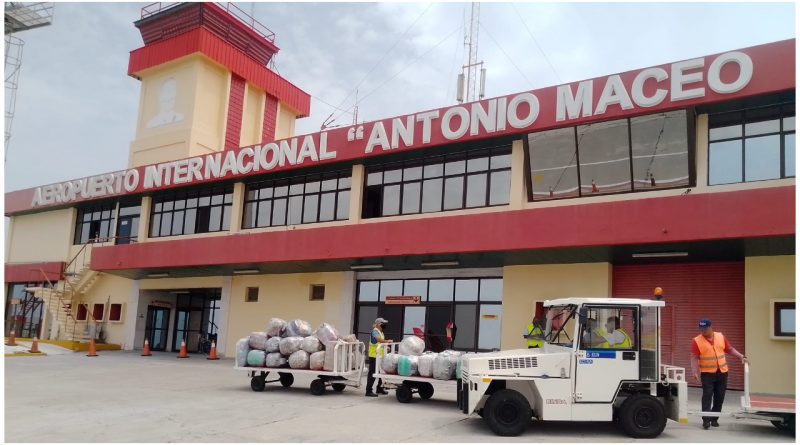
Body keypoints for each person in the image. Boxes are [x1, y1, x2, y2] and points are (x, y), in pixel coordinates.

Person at [690, 319, 747, 429]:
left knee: (719, 397)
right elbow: (694, 357)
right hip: (707, 374)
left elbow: (729, 349)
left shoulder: (720, 336)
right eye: (701, 329)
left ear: (711, 327)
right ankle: (706, 420)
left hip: (722, 372)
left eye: (705, 329)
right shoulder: (696, 341)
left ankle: (714, 418)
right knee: (707, 397)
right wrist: (694, 372)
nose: (703, 332)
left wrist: (741, 356)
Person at [366, 317, 392, 397]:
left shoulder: (381, 332)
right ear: (377, 324)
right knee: (372, 374)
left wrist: (385, 347)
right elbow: (377, 339)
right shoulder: (375, 331)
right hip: (374, 356)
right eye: (382, 324)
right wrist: (386, 341)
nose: (384, 325)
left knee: (381, 373)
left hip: (380, 356)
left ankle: (379, 388)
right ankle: (368, 391)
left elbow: (379, 344)